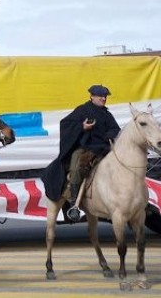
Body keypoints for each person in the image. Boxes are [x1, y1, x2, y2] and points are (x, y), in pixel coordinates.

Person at [42, 85, 121, 221]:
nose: (103, 98)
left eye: (105, 96)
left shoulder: (107, 115)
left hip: (103, 148)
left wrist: (108, 135)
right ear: (92, 96)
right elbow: (65, 124)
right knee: (77, 168)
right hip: (85, 148)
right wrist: (82, 127)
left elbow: (115, 129)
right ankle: (74, 203)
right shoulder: (82, 110)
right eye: (101, 96)